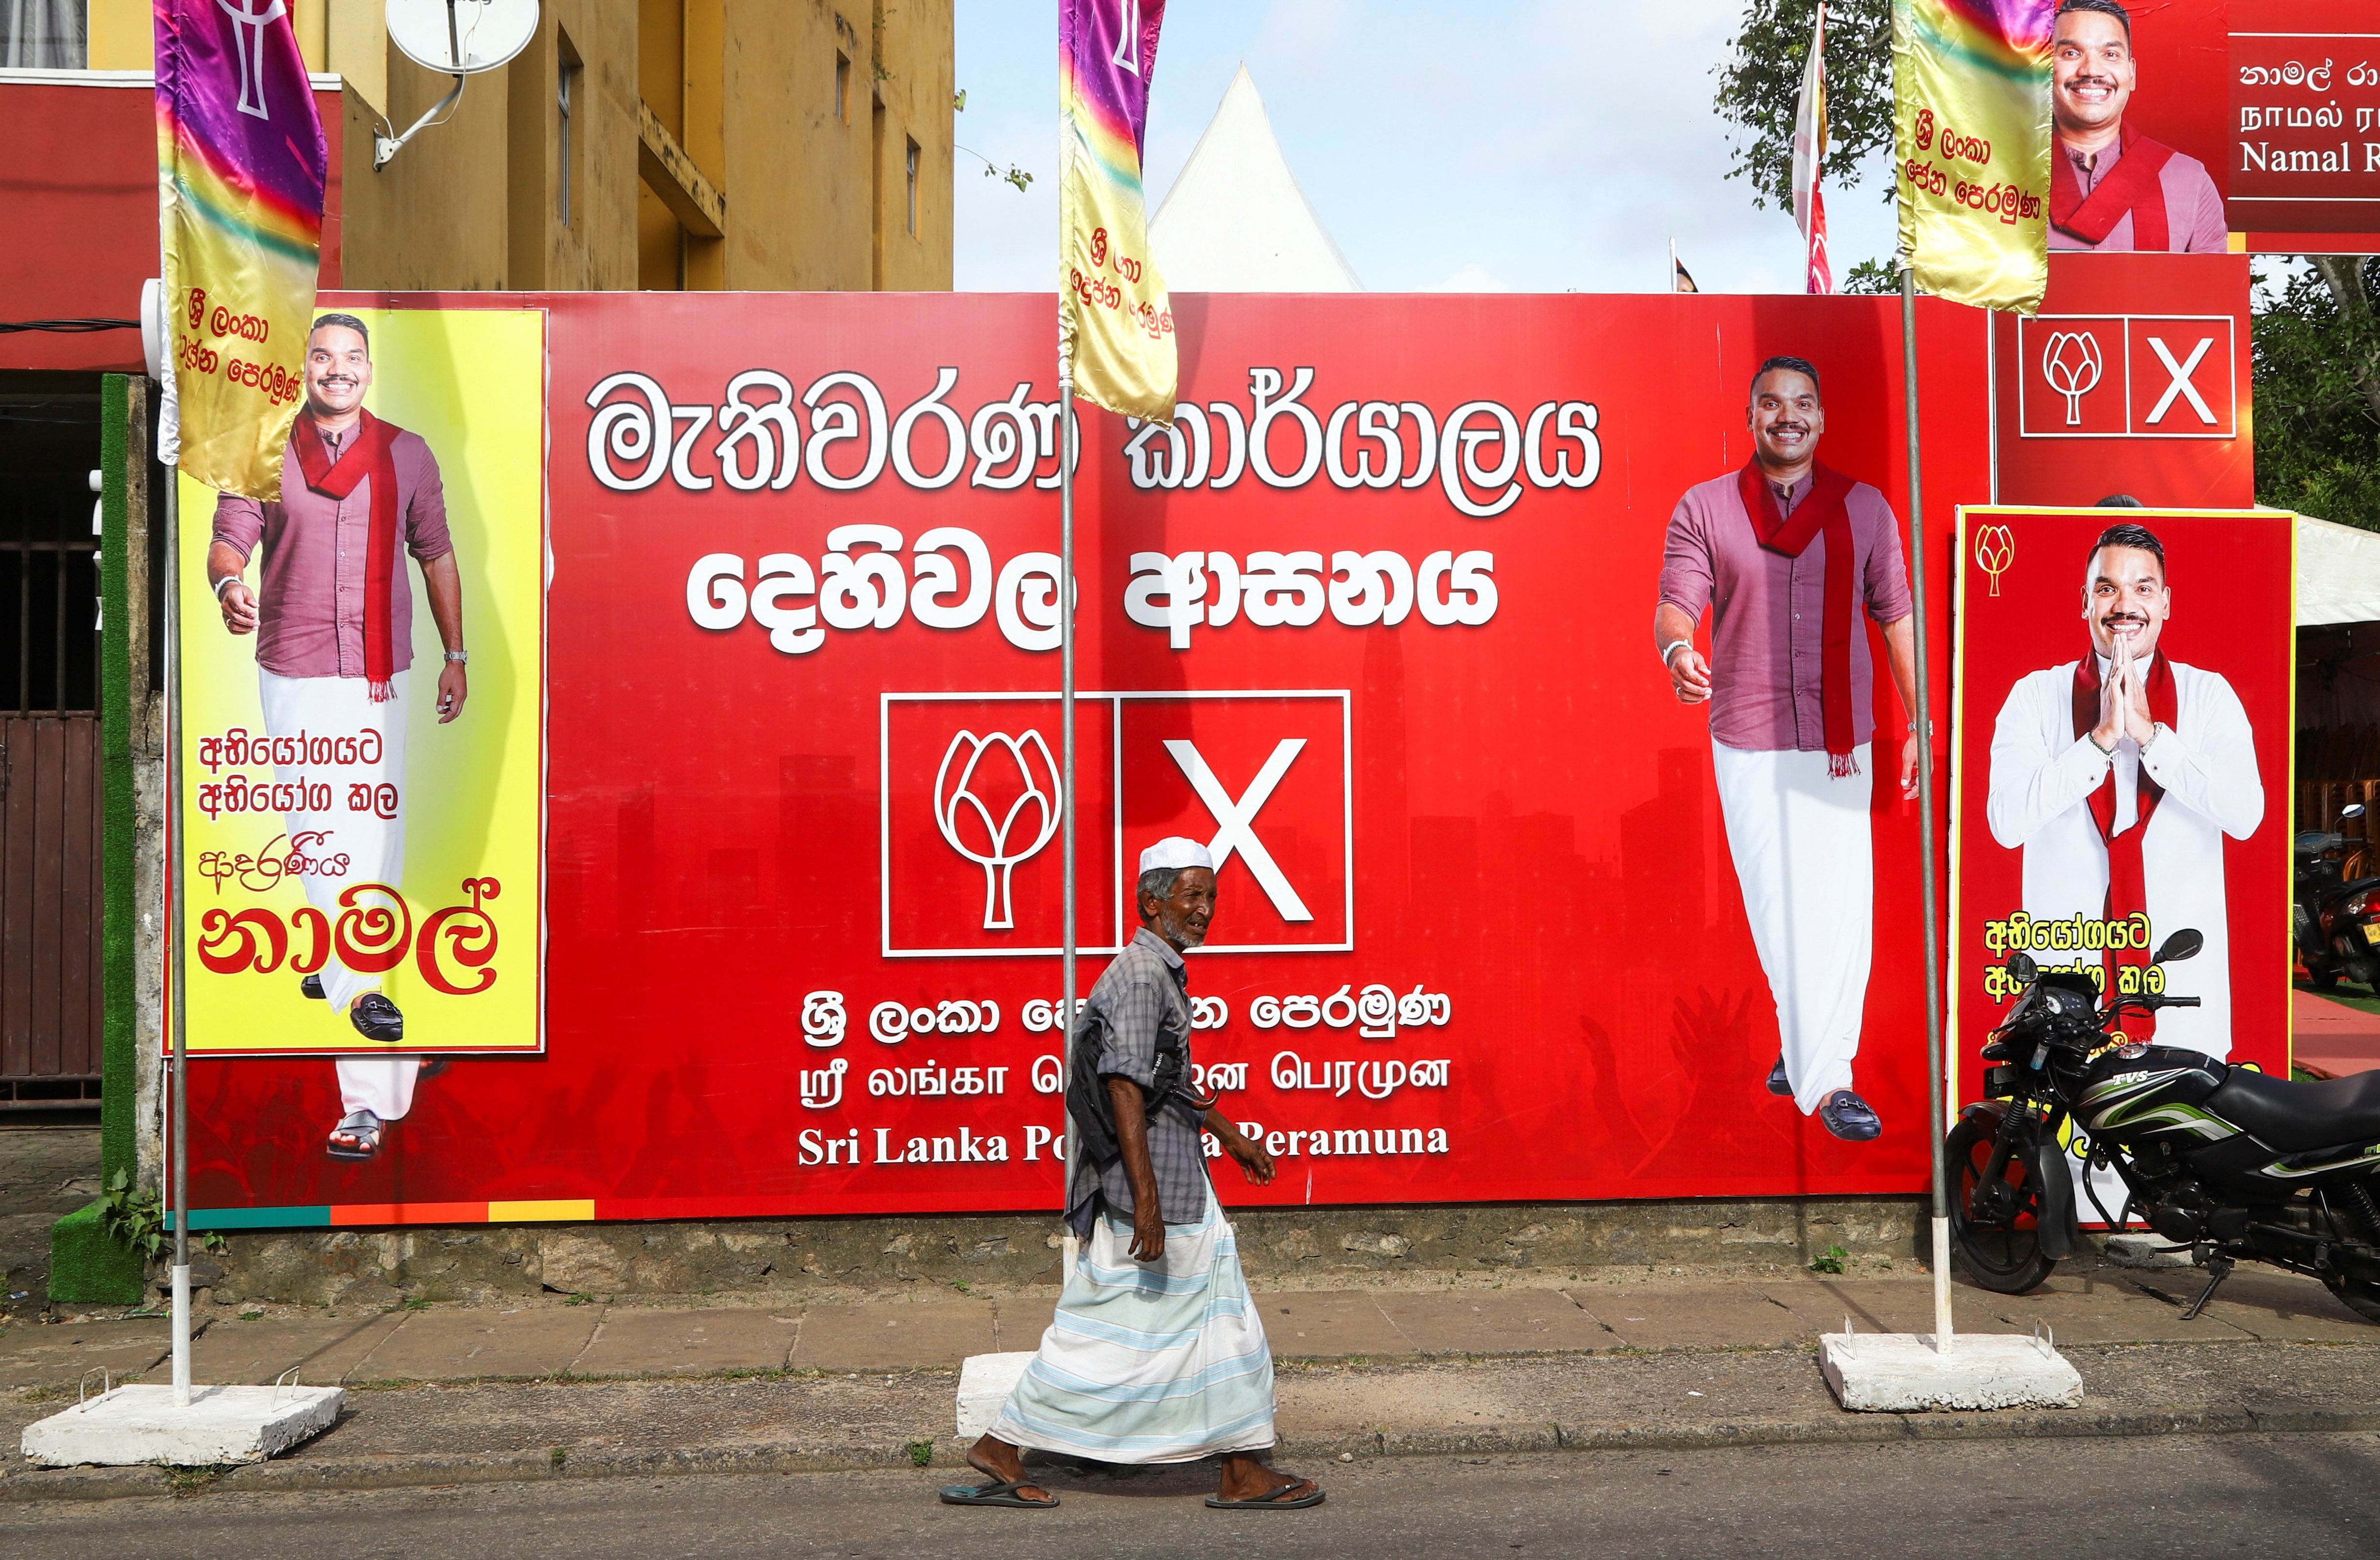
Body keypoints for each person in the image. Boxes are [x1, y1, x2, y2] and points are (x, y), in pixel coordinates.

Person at [945, 838, 1321, 1512]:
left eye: (1210, 896)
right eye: (1192, 895)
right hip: (1155, 1185)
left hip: (1170, 1174)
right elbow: (1122, 1084)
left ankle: (1007, 1444)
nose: (1205, 910)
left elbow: (1164, 1079)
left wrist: (1230, 1135)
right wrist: (1145, 1199)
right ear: (1152, 902)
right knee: (1198, 1320)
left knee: (1130, 1325)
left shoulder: (1155, 970)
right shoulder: (1143, 974)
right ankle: (1235, 1468)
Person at [211, 313, 469, 1163]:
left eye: (352, 358)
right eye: (322, 357)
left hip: (378, 679)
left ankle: (358, 1054)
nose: (337, 370)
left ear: (369, 369)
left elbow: (436, 555)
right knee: (329, 851)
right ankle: (356, 1010)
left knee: (368, 855)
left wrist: (455, 654)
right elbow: (228, 542)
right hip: (293, 670)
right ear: (305, 371)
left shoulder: (408, 455)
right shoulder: (261, 446)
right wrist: (229, 586)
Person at [1655, 356, 1920, 1142]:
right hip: (1749, 732)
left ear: (1821, 419)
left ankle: (1822, 1073)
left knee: (1839, 909)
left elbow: (1895, 617)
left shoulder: (1865, 509)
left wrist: (1921, 724)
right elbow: (1676, 605)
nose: (1786, 415)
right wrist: (1677, 654)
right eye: (1770, 403)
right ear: (1750, 417)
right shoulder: (1703, 509)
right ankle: (1816, 1057)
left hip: (1839, 738)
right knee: (1780, 907)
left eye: (1802, 402)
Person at [1984, 523, 2263, 1054]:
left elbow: (2245, 815)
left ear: (2165, 603)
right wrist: (2099, 741)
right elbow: (2006, 823)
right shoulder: (2035, 696)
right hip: (2067, 981)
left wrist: (2153, 739)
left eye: (2143, 587)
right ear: (2085, 601)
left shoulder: (2209, 696)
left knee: (2184, 1133)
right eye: (2107, 587)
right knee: (2062, 1135)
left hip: (2182, 988)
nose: (2124, 604)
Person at [2048, 0, 2226, 253]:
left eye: (2110, 54)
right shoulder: (2000, 176)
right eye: (2071, 53)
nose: (2091, 70)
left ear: (2131, 74)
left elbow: (2212, 290)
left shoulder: (2190, 181)